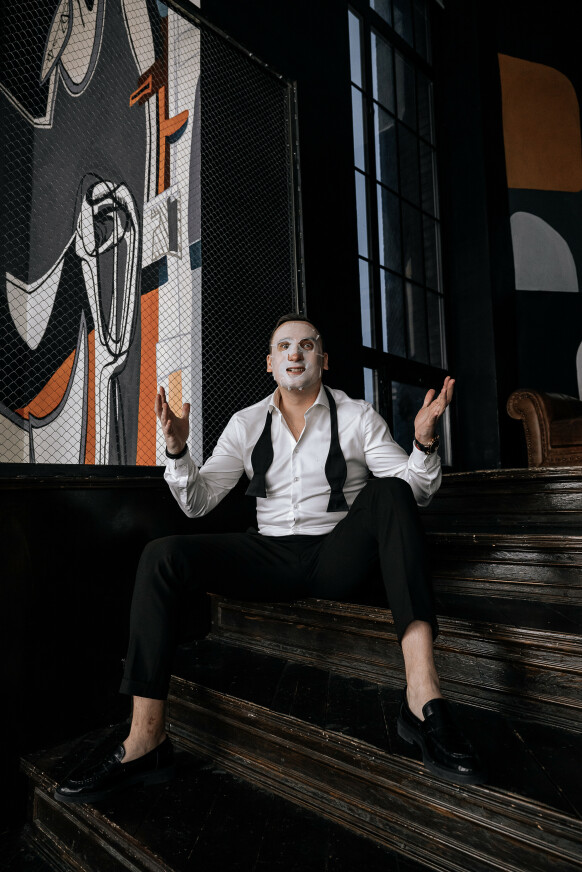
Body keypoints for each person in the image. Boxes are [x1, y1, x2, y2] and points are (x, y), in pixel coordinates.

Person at [54, 313, 485, 804]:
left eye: (307, 345)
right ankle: (146, 739)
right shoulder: (246, 423)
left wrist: (424, 442)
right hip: (270, 553)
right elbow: (197, 502)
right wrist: (177, 451)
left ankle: (423, 698)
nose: (295, 353)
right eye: (284, 346)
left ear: (324, 359)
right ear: (270, 363)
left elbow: (415, 492)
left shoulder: (359, 416)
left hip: (337, 553)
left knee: (390, 492)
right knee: (161, 555)